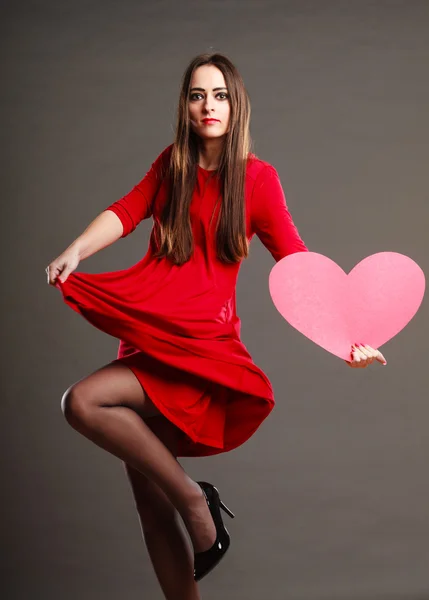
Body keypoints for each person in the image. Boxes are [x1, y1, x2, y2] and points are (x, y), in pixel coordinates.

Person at [45, 52, 387, 599]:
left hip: (200, 350)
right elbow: (125, 211)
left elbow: (298, 265)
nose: (209, 106)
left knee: (82, 402)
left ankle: (195, 500)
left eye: (221, 95)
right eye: (198, 94)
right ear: (185, 105)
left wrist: (345, 337)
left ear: (237, 105)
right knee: (148, 506)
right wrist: (76, 250)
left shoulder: (257, 180)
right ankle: (188, 512)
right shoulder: (171, 166)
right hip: (147, 341)